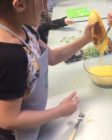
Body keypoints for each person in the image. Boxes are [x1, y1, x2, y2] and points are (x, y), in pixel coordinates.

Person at [0, 0, 95, 140]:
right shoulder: (11, 56)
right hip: (17, 134)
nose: (45, 5)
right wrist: (60, 111)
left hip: (35, 116)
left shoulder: (24, 29)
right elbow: (9, 120)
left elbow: (53, 57)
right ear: (20, 5)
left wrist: (86, 39)